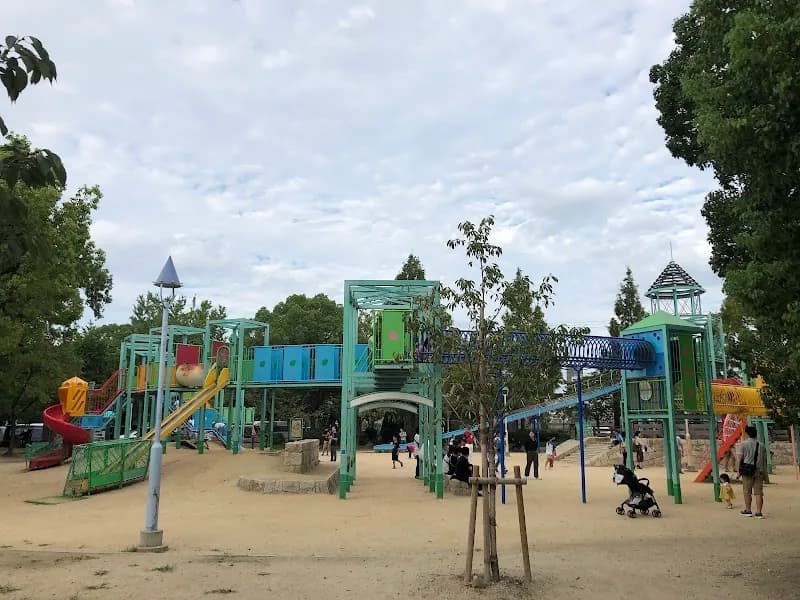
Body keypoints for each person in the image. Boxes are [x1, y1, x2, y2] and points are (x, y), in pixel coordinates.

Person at [736, 426, 767, 518]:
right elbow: (763, 459)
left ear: (747, 434)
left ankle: (748, 510)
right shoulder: (761, 445)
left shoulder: (743, 444)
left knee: (747, 491)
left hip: (747, 470)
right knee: (758, 492)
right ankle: (758, 512)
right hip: (759, 470)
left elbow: (739, 459)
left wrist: (738, 472)